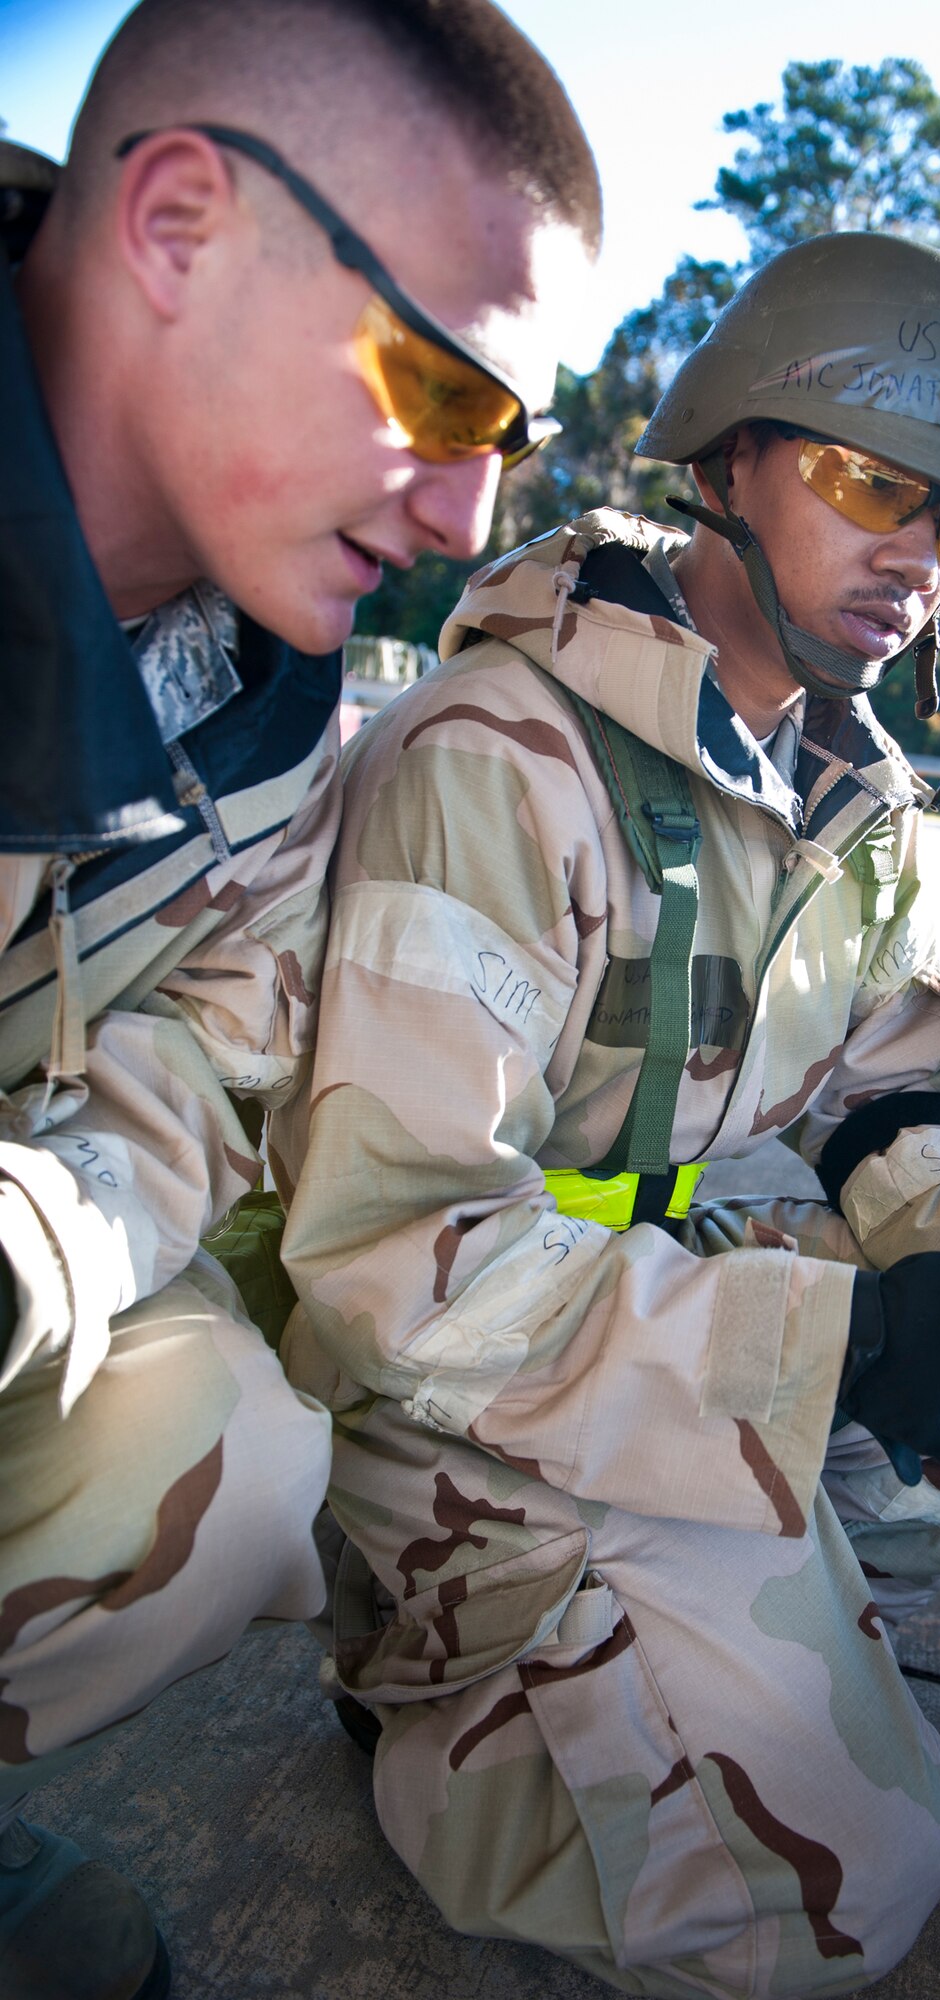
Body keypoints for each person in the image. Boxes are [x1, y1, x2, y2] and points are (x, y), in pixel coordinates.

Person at [277, 233, 940, 1998]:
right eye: (876, 483)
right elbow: (397, 1266)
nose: (916, 559)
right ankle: (445, 1683)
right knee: (838, 1902)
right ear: (723, 460)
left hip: (678, 1322)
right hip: (459, 1390)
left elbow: (887, 1096)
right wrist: (851, 1356)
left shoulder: (849, 795)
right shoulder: (501, 758)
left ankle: (713, 1625)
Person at [0, 2, 599, 1995]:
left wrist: (51, 1231)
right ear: (175, 222)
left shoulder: (272, 714)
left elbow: (210, 1039)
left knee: (221, 1440)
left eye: (501, 441)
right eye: (437, 387)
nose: (466, 521)